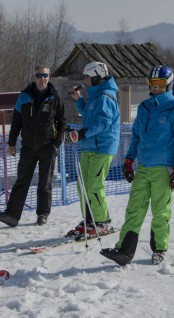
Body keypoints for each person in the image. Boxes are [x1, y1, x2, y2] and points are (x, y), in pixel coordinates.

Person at [100, 65, 174, 266]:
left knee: (160, 211)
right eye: (152, 84)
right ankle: (124, 251)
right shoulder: (144, 107)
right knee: (134, 208)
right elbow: (136, 137)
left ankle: (159, 248)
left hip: (164, 169)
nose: (156, 88)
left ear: (168, 85)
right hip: (144, 167)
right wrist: (129, 159)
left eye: (160, 84)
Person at [0, 65, 65, 227]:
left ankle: (43, 214)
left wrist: (56, 143)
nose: (42, 78)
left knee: (44, 183)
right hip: (28, 147)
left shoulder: (55, 97)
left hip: (48, 146)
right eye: (39, 75)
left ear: (49, 77)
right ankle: (12, 215)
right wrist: (11, 142)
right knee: (22, 181)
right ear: (34, 77)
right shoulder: (24, 96)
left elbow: (62, 122)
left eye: (45, 75)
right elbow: (17, 121)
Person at [65, 61, 120, 236]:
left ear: (96, 77)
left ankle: (102, 221)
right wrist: (78, 100)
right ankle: (90, 219)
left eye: (87, 77)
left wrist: (81, 134)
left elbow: (102, 123)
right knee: (83, 186)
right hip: (90, 146)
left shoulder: (106, 97)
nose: (85, 80)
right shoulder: (95, 96)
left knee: (95, 186)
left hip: (102, 148)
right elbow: (89, 115)